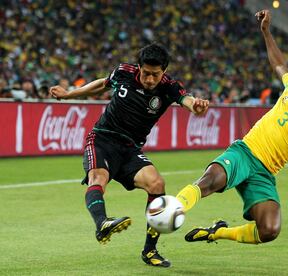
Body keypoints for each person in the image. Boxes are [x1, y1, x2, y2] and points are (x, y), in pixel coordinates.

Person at [176, 9, 288, 245]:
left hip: (265, 173)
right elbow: (279, 64)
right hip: (244, 152)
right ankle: (173, 208)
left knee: (269, 230)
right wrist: (266, 32)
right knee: (210, 181)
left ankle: (217, 232)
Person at [49, 42, 209, 267]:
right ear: (139, 67)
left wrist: (196, 106)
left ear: (164, 71)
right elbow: (101, 85)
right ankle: (102, 223)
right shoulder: (124, 72)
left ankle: (150, 251)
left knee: (156, 184)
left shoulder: (170, 87)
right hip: (103, 138)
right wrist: (68, 95)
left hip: (130, 148)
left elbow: (187, 101)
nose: (150, 79)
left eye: (155, 75)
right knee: (98, 178)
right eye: (146, 73)